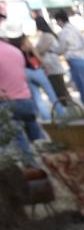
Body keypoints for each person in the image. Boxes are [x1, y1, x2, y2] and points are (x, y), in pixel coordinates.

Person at [51, 10, 84, 123]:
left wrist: (52, 50)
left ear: (59, 21)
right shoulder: (75, 29)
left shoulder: (64, 32)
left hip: (75, 61)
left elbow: (61, 49)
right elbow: (83, 43)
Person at [3, 22, 60, 123]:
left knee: (37, 97)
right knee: (50, 92)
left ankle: (47, 118)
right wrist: (44, 64)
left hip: (24, 71)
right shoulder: (24, 40)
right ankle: (61, 113)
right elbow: (34, 52)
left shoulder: (9, 43)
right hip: (35, 69)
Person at [0, 33, 41, 166]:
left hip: (6, 102)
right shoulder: (16, 51)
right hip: (26, 99)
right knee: (37, 137)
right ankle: (48, 162)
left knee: (17, 141)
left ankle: (31, 167)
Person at [32, 14, 71, 105]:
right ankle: (67, 105)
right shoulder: (46, 35)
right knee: (60, 88)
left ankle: (68, 106)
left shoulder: (47, 36)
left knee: (59, 89)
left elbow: (40, 50)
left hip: (52, 65)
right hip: (52, 65)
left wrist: (34, 50)